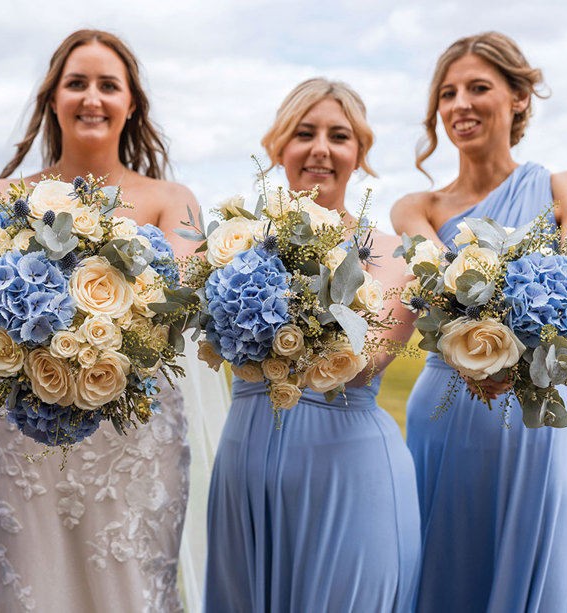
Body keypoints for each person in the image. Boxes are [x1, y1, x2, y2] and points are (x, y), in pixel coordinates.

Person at [0, 30, 202, 613]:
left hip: (134, 437)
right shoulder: (0, 199)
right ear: (53, 99)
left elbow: (171, 314)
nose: (91, 97)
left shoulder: (172, 199)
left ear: (131, 104)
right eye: (77, 83)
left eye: (108, 85)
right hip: (22, 444)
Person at [390, 31, 567, 613]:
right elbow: (440, 295)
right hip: (446, 409)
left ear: (519, 100)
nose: (460, 104)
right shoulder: (417, 209)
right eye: (448, 93)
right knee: (445, 573)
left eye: (478, 88)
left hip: (533, 417)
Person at [203, 78, 421, 613]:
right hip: (247, 456)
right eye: (305, 132)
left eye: (339, 136)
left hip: (350, 463)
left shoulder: (395, 253)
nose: (321, 148)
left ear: (359, 155)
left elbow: (367, 356)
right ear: (279, 147)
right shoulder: (231, 243)